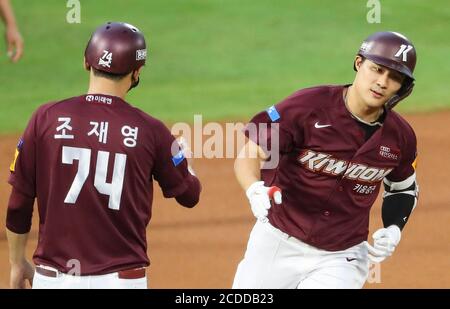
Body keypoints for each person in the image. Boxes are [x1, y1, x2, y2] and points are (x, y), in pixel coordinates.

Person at [6, 22, 201, 289]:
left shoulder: (45, 118)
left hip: (53, 280)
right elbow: (189, 196)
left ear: (87, 62)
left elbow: (18, 204)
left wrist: (17, 263)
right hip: (121, 282)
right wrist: (184, 160)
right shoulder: (151, 131)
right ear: (137, 72)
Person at [232, 31, 419, 289]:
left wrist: (395, 228)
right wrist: (253, 189)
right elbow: (252, 152)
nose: (382, 82)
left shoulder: (401, 137)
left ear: (403, 87)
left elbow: (403, 187)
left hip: (343, 256)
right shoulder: (307, 107)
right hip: (277, 240)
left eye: (394, 77)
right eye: (376, 69)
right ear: (358, 63)